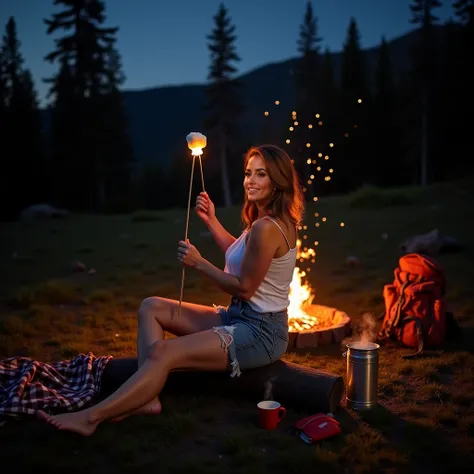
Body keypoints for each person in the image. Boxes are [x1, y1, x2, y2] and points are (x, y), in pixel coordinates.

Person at [37, 144, 305, 436]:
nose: (250, 181)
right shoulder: (266, 222)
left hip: (261, 333)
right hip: (240, 318)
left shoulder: (267, 227)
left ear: (277, 181)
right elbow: (241, 256)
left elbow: (245, 287)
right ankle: (146, 399)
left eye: (260, 174)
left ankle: (90, 418)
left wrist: (199, 263)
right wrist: (212, 221)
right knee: (151, 307)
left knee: (164, 352)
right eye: (248, 173)